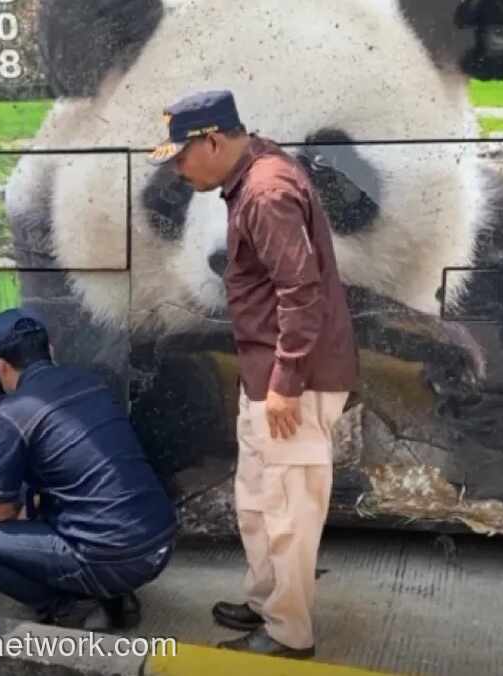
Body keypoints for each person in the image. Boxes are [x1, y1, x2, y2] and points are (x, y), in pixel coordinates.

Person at [151, 90, 359, 659]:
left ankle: (289, 633)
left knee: (288, 509)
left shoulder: (266, 193)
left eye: (181, 155)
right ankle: (267, 602)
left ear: (213, 140)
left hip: (292, 381)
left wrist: (287, 383)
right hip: (266, 374)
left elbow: (301, 291)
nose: (177, 168)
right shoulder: (253, 168)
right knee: (260, 498)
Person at [0, 308, 177, 630]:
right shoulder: (93, 383)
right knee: (70, 498)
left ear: (0, 365)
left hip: (111, 557)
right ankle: (115, 595)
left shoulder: (12, 413)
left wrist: (21, 509)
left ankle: (69, 607)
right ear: (51, 350)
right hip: (160, 541)